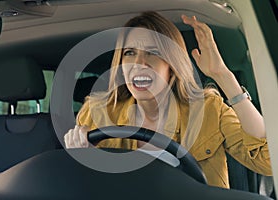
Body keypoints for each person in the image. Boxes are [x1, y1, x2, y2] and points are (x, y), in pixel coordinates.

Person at [64, 11, 272, 188]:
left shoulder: (210, 110)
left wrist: (222, 76)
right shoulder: (97, 112)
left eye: (153, 52)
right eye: (129, 53)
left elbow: (269, 162)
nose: (139, 63)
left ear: (172, 67)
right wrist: (80, 161)